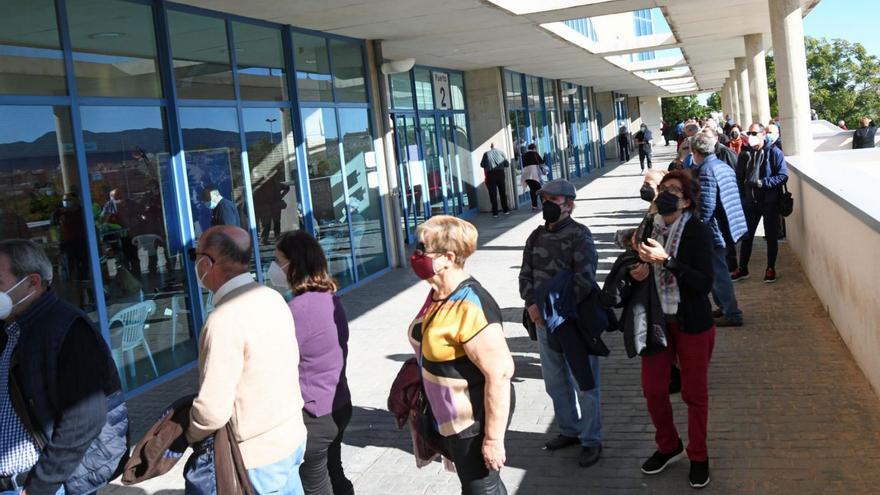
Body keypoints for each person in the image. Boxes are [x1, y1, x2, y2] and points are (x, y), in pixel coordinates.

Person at [0, 239, 128, 495]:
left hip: (40, 485)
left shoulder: (69, 331)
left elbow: (83, 420)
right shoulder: (11, 329)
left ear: (32, 283)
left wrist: (40, 486)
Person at [186, 226, 308, 493]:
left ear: (207, 263)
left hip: (258, 459)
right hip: (291, 437)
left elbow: (211, 411)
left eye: (194, 257)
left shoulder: (222, 320)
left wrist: (189, 433)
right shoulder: (273, 298)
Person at [407, 216, 514, 494]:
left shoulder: (471, 305)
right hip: (448, 417)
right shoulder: (438, 293)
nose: (415, 254)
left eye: (422, 249)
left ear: (448, 257)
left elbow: (500, 375)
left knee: (481, 487)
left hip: (472, 421)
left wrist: (492, 439)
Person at [629, 170, 716, 490]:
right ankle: (669, 446)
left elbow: (704, 283)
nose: (666, 194)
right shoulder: (649, 227)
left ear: (688, 201)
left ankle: (698, 455)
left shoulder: (698, 231)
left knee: (694, 394)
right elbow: (634, 268)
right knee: (653, 389)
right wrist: (637, 273)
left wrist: (666, 261)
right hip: (656, 321)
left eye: (674, 191)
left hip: (692, 322)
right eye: (663, 189)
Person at [519, 179, 604, 468]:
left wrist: (558, 311)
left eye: (553, 200)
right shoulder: (535, 236)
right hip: (543, 322)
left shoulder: (581, 235)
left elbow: (585, 280)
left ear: (569, 204)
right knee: (555, 382)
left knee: (585, 382)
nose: (547, 205)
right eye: (544, 199)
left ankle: (591, 439)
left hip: (573, 322)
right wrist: (532, 306)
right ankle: (570, 429)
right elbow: (525, 275)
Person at [270, 231, 353, 495]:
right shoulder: (330, 298)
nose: (273, 267)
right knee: (335, 472)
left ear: (293, 264)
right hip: (337, 403)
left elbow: (279, 362)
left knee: (316, 482)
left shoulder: (296, 311)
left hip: (315, 414)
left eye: (277, 259)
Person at [690, 131, 747, 327]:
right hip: (727, 225)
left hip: (715, 229)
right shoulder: (721, 166)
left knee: (717, 271)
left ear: (696, 151)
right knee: (717, 269)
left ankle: (731, 312)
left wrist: (697, 231)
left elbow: (706, 206)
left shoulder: (706, 171)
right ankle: (724, 307)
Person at [734, 124, 789, 284]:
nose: (751, 135)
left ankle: (770, 268)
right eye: (749, 132)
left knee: (771, 237)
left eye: (754, 133)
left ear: (763, 134)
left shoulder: (774, 152)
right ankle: (743, 268)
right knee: (747, 236)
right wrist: (743, 196)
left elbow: (782, 176)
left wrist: (762, 183)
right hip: (751, 203)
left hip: (770, 202)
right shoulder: (745, 154)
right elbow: (739, 177)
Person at [480, 143, 511, 218]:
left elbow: (482, 165)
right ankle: (505, 210)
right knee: (502, 192)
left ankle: (495, 213)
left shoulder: (486, 153)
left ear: (491, 147)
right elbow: (507, 164)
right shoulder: (501, 153)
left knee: (492, 194)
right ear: (496, 147)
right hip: (500, 174)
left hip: (491, 175)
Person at [521, 144, 545, 211]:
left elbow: (523, 165)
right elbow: (541, 161)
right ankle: (544, 205)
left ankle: (534, 206)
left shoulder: (524, 155)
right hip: (534, 175)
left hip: (526, 175)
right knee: (540, 190)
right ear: (534, 148)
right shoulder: (534, 153)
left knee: (532, 190)